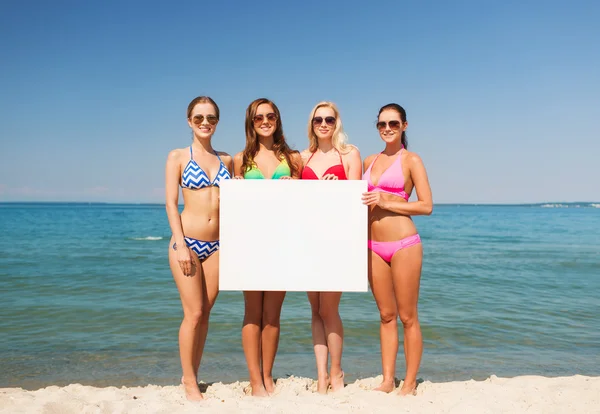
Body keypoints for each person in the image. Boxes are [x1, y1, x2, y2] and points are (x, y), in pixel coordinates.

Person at [361, 103, 433, 396]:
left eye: (393, 123)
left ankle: (410, 381)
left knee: (407, 316)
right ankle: (388, 379)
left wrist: (386, 200)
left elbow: (426, 206)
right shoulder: (368, 160)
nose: (387, 129)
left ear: (404, 125)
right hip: (372, 246)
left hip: (404, 244)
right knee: (386, 316)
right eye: (382, 124)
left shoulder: (411, 160)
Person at [233, 98, 303, 396]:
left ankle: (268, 375)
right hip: (249, 242)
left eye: (270, 115)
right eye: (258, 117)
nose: (265, 121)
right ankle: (254, 380)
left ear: (278, 119)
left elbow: (306, 202)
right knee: (252, 312)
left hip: (282, 241)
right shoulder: (240, 159)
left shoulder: (293, 158)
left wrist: (295, 184)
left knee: (273, 315)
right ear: (251, 122)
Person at [165, 96, 233, 401]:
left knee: (206, 313)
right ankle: (190, 381)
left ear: (217, 122)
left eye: (211, 118)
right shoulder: (178, 156)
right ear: (189, 121)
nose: (205, 123)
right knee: (192, 313)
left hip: (218, 245)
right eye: (199, 118)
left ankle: (192, 371)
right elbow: (170, 202)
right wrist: (180, 244)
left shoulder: (227, 160)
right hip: (187, 243)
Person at [300, 101, 362, 393]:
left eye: (328, 119)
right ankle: (321, 375)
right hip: (309, 239)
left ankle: (337, 371)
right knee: (315, 309)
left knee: (330, 308)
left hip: (337, 240)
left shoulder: (349, 154)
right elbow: (297, 201)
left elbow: (356, 199)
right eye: (317, 120)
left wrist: (335, 189)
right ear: (311, 124)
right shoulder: (303, 157)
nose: (323, 124)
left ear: (337, 122)